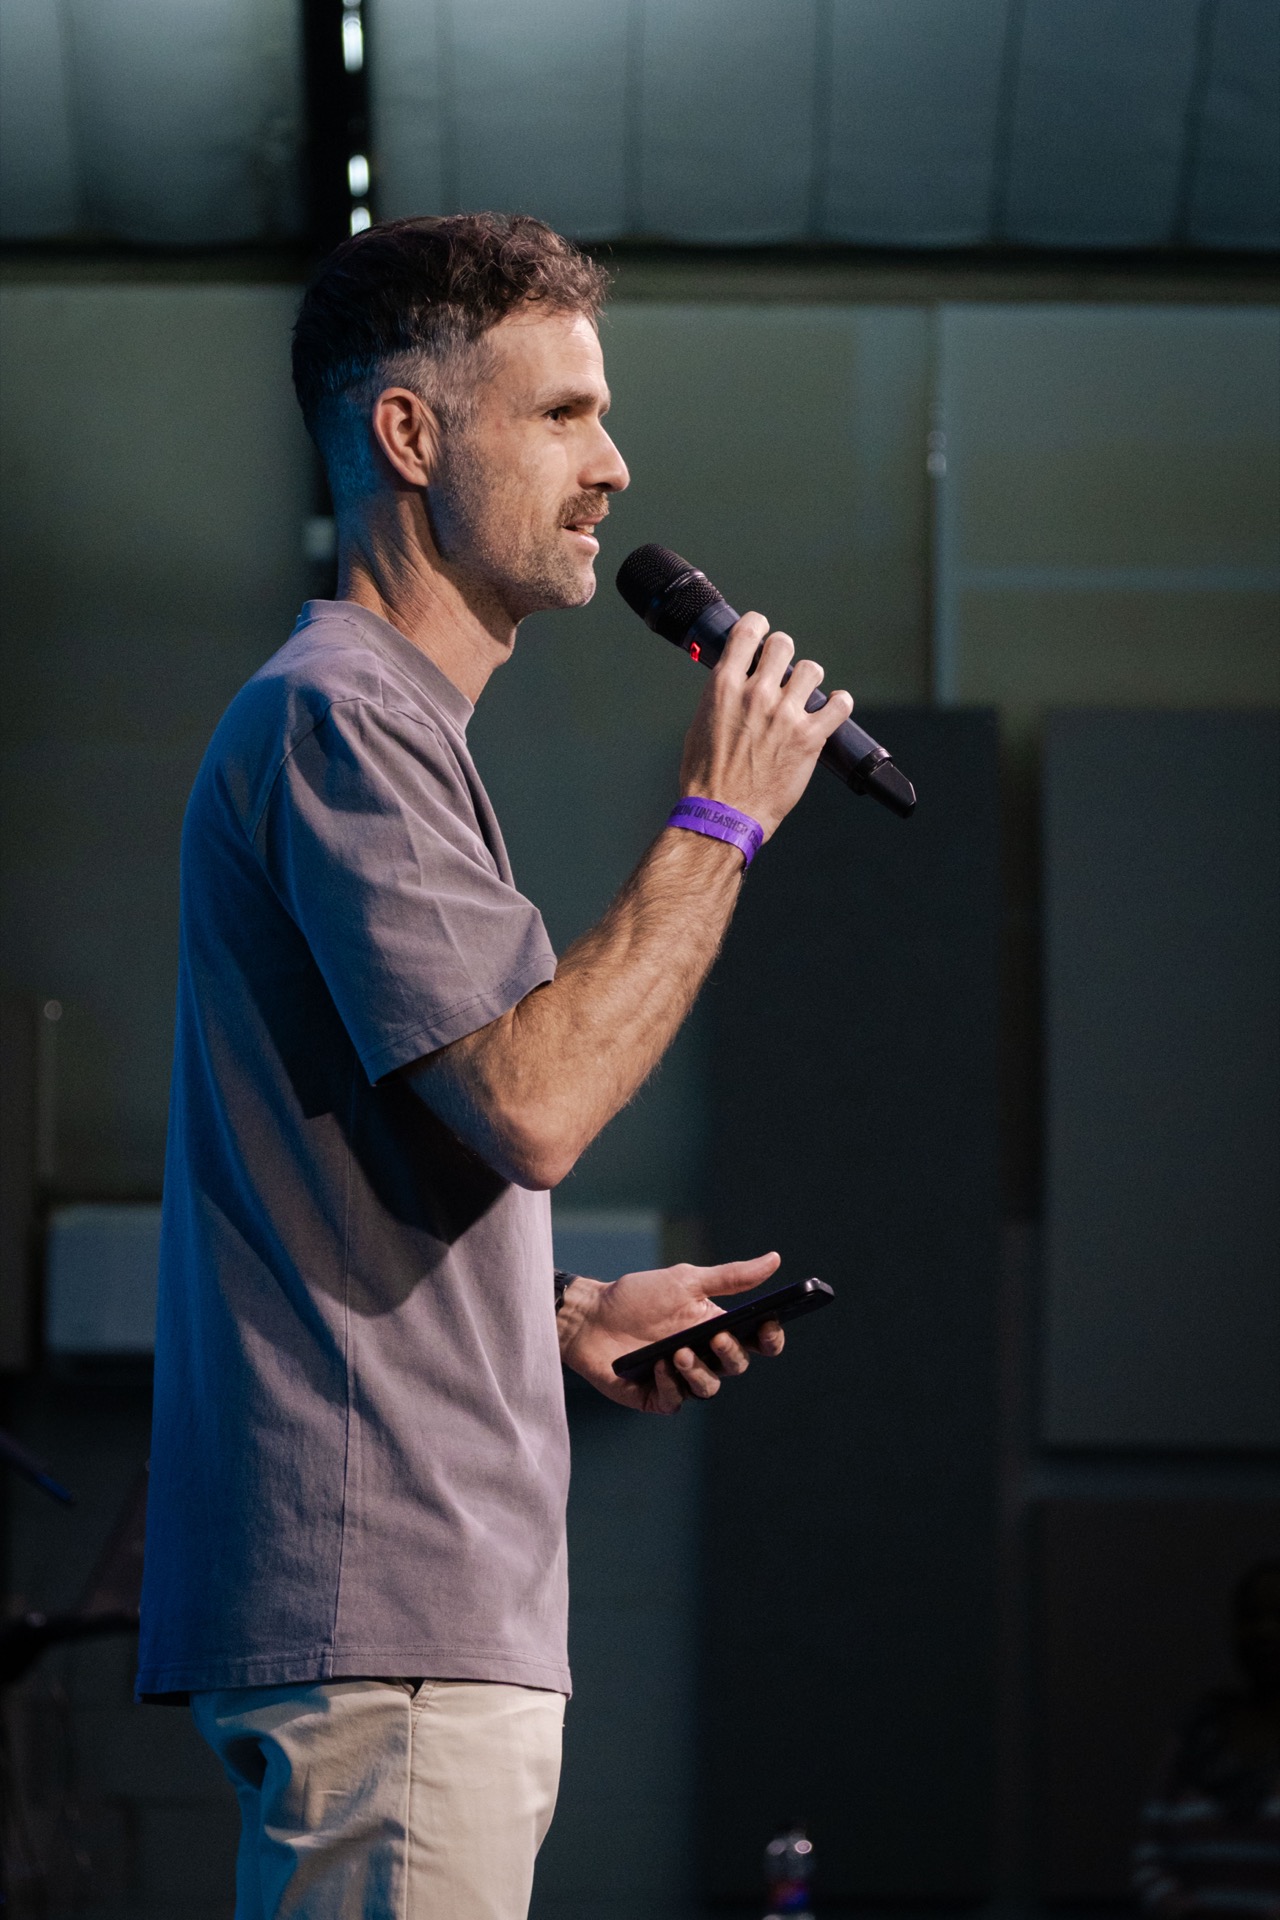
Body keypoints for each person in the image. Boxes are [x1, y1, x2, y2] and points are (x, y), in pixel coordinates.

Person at [137, 212, 855, 1919]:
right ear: (408, 433)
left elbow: (361, 1171)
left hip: (408, 1621)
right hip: (391, 1614)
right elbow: (534, 1105)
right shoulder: (342, 715)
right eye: (561, 414)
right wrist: (721, 819)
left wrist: (557, 1319)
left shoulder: (379, 728)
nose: (613, 467)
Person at [1134, 1560, 1280, 1917]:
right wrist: (1178, 1908)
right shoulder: (1198, 1732)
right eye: (1251, 1617)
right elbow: (1150, 1856)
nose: (1264, 1630)